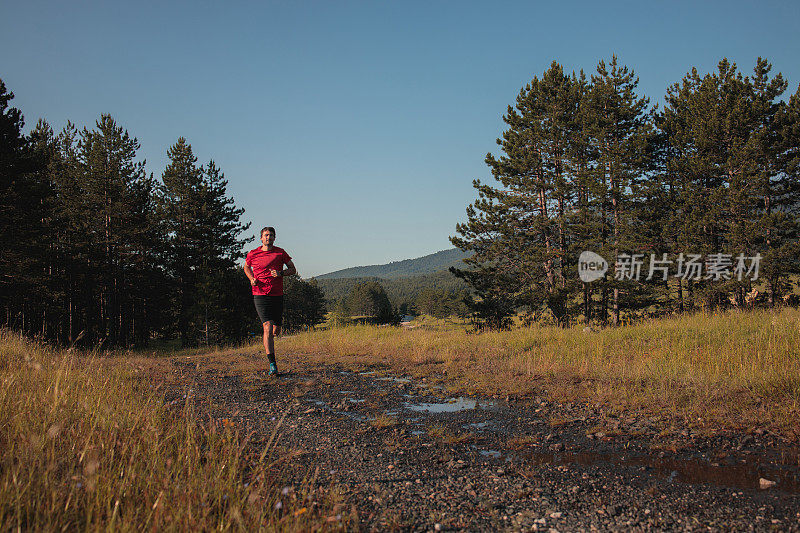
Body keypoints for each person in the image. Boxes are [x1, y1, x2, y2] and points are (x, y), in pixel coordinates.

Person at [243, 226, 296, 376]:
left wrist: (280, 273)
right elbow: (246, 267)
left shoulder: (280, 252)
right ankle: (272, 364)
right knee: (267, 326)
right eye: (266, 235)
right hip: (259, 294)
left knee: (275, 330)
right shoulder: (253, 253)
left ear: (274, 238)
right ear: (261, 238)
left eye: (271, 235)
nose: (268, 237)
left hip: (277, 295)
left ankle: (271, 342)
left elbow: (293, 269)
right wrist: (251, 278)